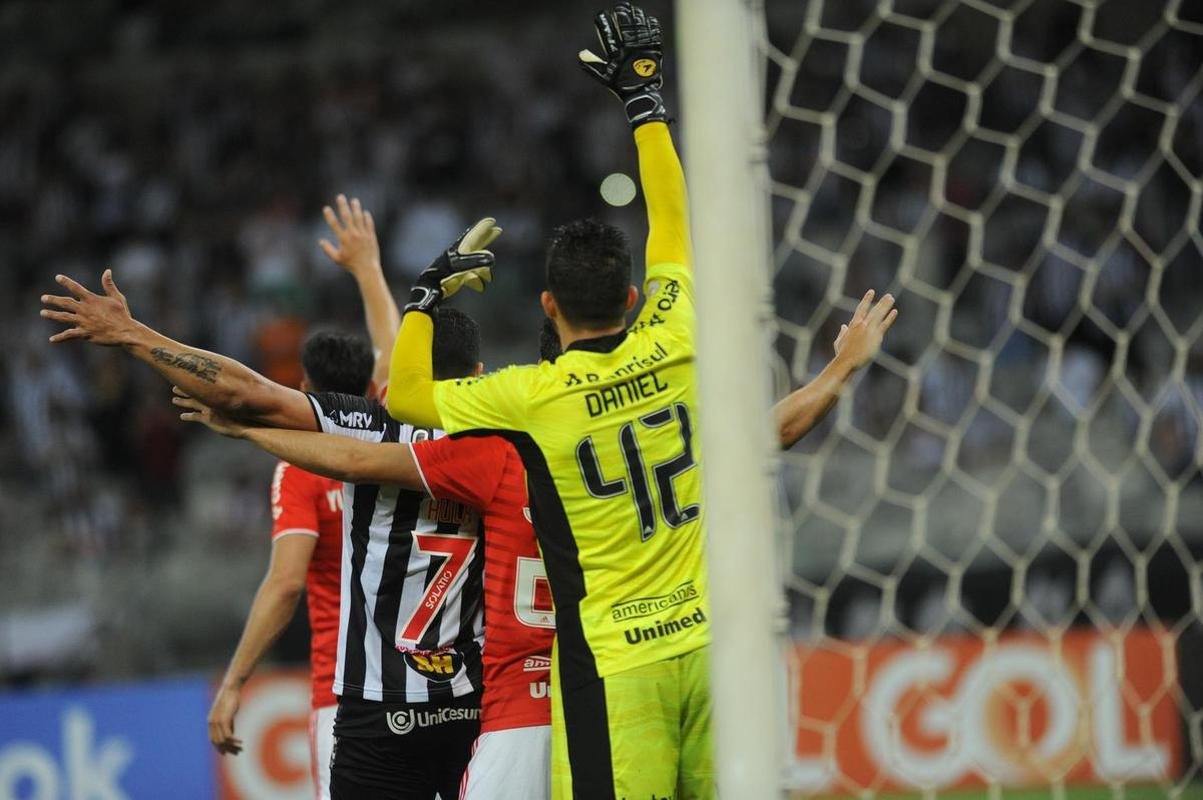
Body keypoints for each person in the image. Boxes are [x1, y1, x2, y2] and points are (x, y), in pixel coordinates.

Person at [380, 6, 897, 798]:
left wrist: (424, 295)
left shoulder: (532, 396)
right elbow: (673, 225)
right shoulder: (677, 331)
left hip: (616, 665)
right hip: (715, 647)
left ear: (547, 306)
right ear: (630, 297)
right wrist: (644, 101)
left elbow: (409, 396)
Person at [174, 287, 894, 800]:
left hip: (519, 699)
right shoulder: (655, 442)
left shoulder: (493, 456)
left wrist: (252, 432)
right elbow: (775, 429)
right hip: (630, 674)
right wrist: (841, 368)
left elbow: (366, 450)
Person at [39, 202, 497, 800]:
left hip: (377, 704)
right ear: (478, 370)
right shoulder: (503, 439)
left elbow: (246, 392)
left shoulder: (371, 431)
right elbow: (392, 353)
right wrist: (368, 269)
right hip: (471, 700)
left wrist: (133, 334)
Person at [207, 195, 398, 800]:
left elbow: (287, 583)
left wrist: (235, 682)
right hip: (425, 686)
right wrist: (368, 268)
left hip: (344, 695)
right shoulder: (397, 435)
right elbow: (393, 351)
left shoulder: (299, 471)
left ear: (304, 389)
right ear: (370, 386)